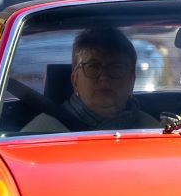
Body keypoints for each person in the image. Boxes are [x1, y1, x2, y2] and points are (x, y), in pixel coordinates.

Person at [20, 27, 160, 135]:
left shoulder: (153, 131)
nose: (104, 77)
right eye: (93, 67)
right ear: (75, 80)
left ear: (132, 80)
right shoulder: (39, 133)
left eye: (116, 68)